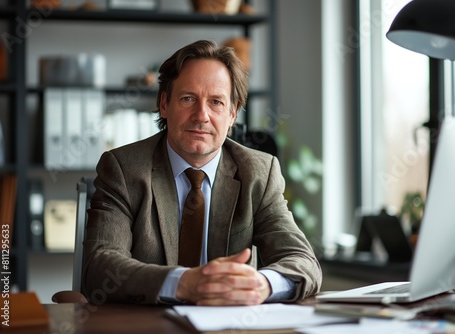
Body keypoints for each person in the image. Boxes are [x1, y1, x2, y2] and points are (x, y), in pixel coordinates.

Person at [83, 40, 322, 306]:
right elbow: (99, 265)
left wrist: (262, 284)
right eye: (188, 99)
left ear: (232, 114)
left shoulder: (259, 173)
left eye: (216, 102)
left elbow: (303, 262)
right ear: (164, 104)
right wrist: (183, 283)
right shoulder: (123, 168)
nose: (201, 115)